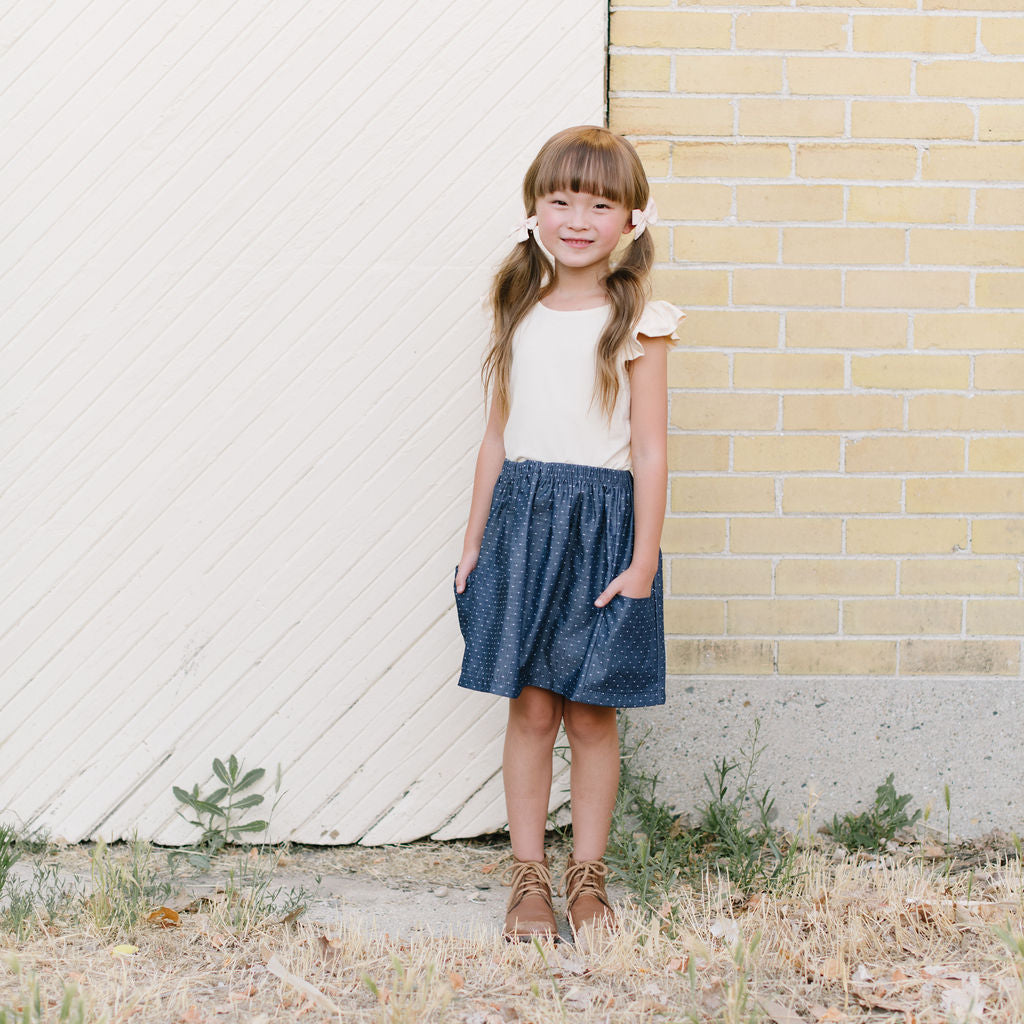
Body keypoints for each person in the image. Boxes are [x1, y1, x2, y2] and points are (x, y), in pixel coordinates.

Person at [452, 125, 683, 943]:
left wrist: (644, 561)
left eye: (599, 202)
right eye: (560, 199)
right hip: (523, 522)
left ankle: (589, 878)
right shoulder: (518, 310)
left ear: (630, 219)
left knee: (590, 714)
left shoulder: (639, 321)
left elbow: (650, 448)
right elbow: (495, 438)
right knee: (532, 707)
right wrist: (476, 541)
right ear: (533, 212)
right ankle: (529, 880)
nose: (577, 217)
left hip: (603, 528)